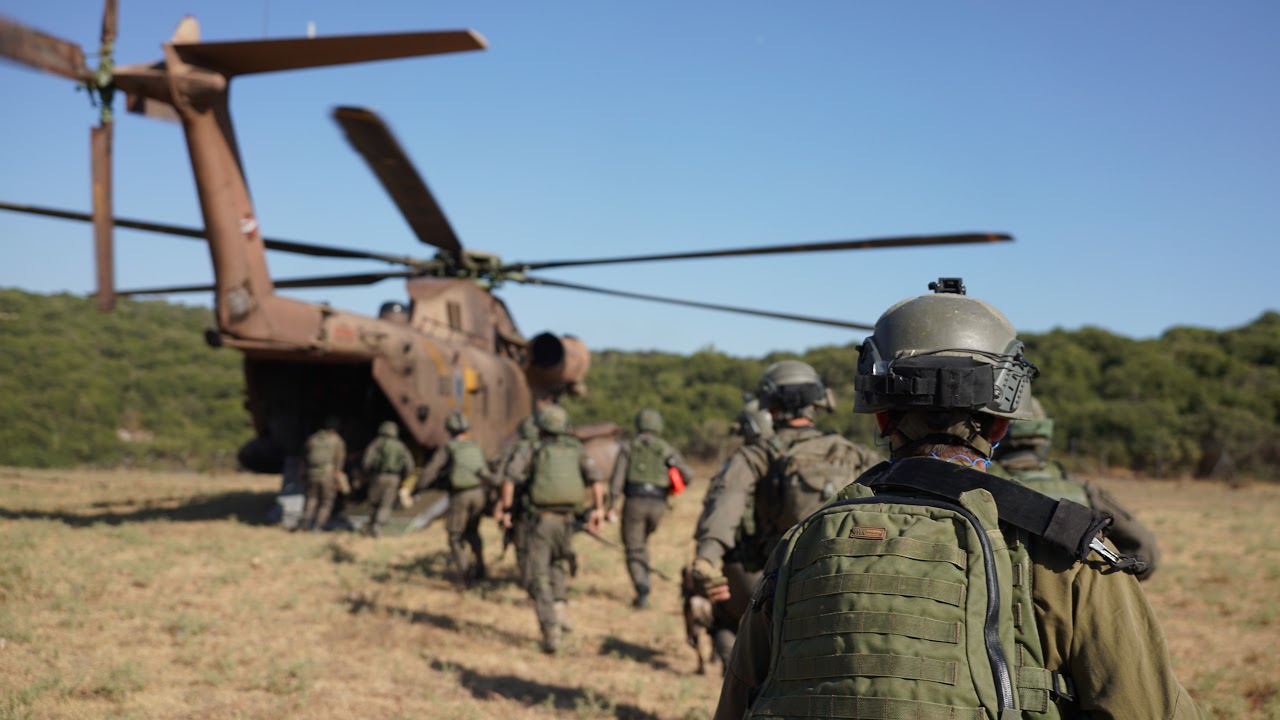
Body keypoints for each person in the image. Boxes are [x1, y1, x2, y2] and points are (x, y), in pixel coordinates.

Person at [714, 279, 1203, 719]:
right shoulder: (1065, 554)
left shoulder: (803, 544)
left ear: (881, 417)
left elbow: (738, 703)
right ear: (1003, 422)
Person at [690, 361, 879, 607]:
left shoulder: (757, 454)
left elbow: (727, 500)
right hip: (848, 580)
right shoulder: (852, 452)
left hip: (783, 583)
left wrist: (706, 558)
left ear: (770, 404)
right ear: (817, 402)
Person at [993, 396, 1161, 579]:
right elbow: (1145, 551)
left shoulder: (979, 483)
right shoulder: (1082, 489)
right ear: (1044, 434)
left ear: (998, 431)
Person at [497, 404, 605, 654]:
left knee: (538, 574)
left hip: (541, 521)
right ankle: (559, 608)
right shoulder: (576, 449)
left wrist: (505, 509)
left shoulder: (533, 448)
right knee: (557, 564)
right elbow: (596, 479)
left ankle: (550, 629)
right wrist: (598, 510)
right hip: (568, 522)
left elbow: (509, 479)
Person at [606, 408, 694, 609]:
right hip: (658, 505)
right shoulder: (665, 448)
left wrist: (611, 505)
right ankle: (643, 576)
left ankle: (642, 587)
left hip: (634, 503)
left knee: (634, 547)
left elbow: (616, 480)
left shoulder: (630, 447)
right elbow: (688, 475)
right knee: (642, 543)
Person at [414, 410, 493, 587]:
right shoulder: (475, 446)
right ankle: (480, 567)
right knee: (473, 532)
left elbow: (431, 470)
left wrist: (418, 487)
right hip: (479, 494)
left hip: (461, 496)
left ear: (449, 430)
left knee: (455, 536)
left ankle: (466, 576)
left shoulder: (449, 448)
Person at [360, 420, 415, 538]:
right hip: (394, 478)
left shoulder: (376, 444)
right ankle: (377, 526)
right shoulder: (400, 445)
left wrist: (367, 474)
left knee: (374, 502)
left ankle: (373, 525)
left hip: (378, 476)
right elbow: (410, 465)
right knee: (386, 504)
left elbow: (366, 461)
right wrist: (403, 477)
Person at [297, 416, 347, 532]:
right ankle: (318, 526)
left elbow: (303, 457)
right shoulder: (337, 441)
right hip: (327, 474)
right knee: (326, 502)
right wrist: (338, 476)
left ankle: (306, 521)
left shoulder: (312, 439)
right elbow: (339, 460)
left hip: (311, 473)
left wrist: (303, 472)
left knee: (311, 498)